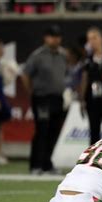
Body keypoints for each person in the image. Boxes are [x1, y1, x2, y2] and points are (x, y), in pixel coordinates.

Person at [22, 25, 67, 175]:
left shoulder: (63, 55)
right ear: (46, 38)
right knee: (42, 130)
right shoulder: (38, 55)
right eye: (53, 36)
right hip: (42, 98)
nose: (56, 39)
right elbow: (25, 74)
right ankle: (35, 165)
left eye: (58, 36)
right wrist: (32, 92)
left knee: (54, 131)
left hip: (57, 98)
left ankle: (47, 164)